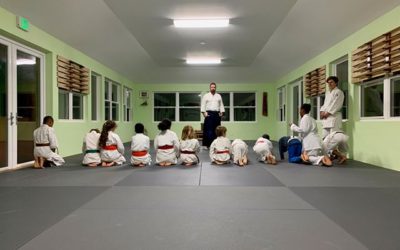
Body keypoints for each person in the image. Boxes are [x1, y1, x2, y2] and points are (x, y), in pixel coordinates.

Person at [201, 82, 225, 148]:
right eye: (212, 87)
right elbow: (203, 105)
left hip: (216, 114)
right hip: (209, 114)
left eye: (214, 87)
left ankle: (216, 145)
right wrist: (204, 113)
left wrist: (221, 113)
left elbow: (221, 105)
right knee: (208, 130)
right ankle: (207, 145)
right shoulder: (206, 95)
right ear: (210, 88)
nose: (213, 88)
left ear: (215, 88)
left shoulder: (218, 96)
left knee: (217, 130)